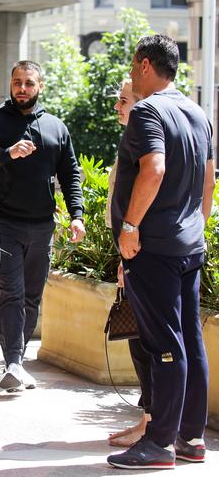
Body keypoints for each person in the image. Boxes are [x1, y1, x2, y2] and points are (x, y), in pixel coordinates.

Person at [108, 34, 215, 469]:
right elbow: (208, 182)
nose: (133, 73)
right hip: (189, 246)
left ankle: (159, 444)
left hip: (154, 248)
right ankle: (191, 438)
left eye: (135, 65)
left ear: (146, 65)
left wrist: (131, 226)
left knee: (164, 346)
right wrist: (195, 227)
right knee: (189, 339)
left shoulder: (148, 110)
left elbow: (153, 167)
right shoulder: (197, 112)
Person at [0, 60, 85, 392]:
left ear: (39, 86)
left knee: (31, 297)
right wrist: (6, 154)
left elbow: (70, 174)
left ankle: (16, 358)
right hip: (5, 223)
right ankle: (13, 363)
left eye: (29, 83)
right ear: (11, 84)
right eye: (17, 82)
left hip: (43, 226)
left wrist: (77, 215)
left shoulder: (56, 127)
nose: (22, 88)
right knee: (10, 295)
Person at [105, 79, 152, 448]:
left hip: (143, 253)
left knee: (147, 342)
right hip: (131, 252)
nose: (118, 107)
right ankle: (150, 418)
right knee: (141, 341)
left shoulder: (148, 144)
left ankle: (153, 422)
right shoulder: (134, 141)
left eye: (123, 100)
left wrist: (130, 241)